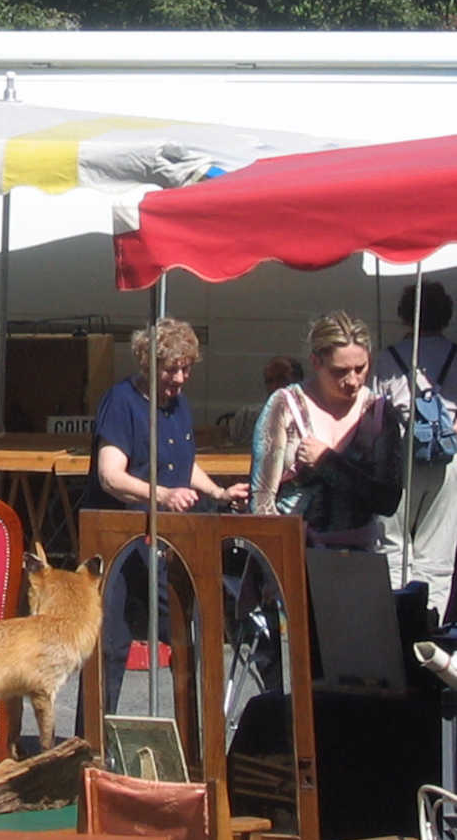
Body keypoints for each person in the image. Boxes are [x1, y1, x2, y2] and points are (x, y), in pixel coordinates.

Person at [84, 317, 248, 712]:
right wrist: (163, 495)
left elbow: (182, 464)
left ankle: (188, 733)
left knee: (185, 631)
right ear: (147, 364)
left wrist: (218, 492)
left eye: (186, 369)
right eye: (170, 369)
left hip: (165, 541)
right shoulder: (121, 402)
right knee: (110, 646)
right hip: (120, 538)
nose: (179, 378)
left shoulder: (178, 405)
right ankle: (92, 737)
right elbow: (110, 476)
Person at [251, 312, 402, 547]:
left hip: (357, 554)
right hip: (293, 551)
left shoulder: (379, 413)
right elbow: (261, 499)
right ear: (316, 362)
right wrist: (280, 551)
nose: (352, 381)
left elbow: (388, 501)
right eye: (340, 371)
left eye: (360, 368)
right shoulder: (285, 405)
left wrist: (326, 462)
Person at [377, 282, 457, 619]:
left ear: (404, 315)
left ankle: (396, 621)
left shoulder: (388, 358)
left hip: (398, 456)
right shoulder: (455, 355)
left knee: (393, 545)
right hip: (449, 458)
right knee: (437, 553)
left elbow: (375, 414)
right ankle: (430, 625)